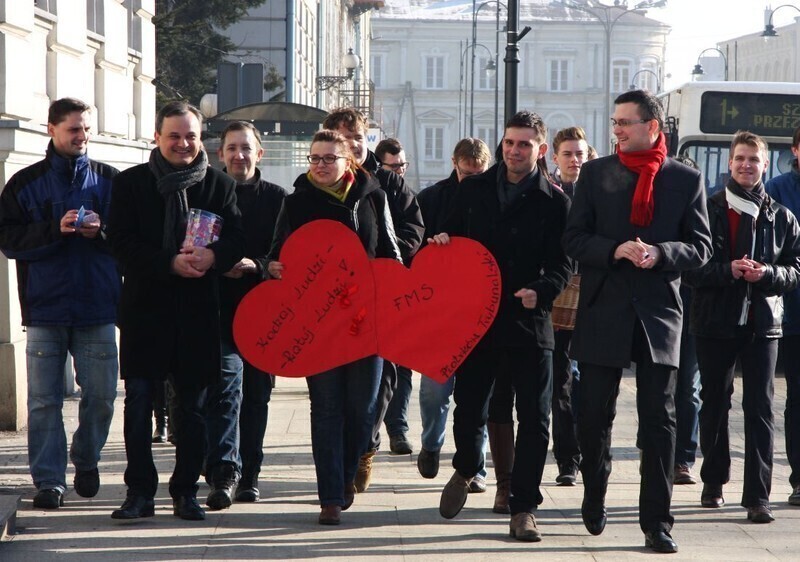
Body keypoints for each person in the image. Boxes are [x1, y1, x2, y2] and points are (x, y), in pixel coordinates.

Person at [563, 89, 712, 554]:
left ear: (652, 126)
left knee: (660, 421)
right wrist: (614, 250)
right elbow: (573, 238)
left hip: (658, 314)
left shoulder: (685, 180)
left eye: (625, 122)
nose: (617, 129)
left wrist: (660, 253)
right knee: (592, 414)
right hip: (603, 308)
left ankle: (657, 522)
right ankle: (595, 491)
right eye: (614, 122)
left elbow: (702, 249)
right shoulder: (595, 172)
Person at [431, 111, 572, 542]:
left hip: (530, 321)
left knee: (535, 416)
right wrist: (441, 242)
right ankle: (465, 468)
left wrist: (543, 289)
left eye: (524, 144)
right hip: (478, 321)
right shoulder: (473, 190)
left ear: (540, 150)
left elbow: (564, 263)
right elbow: (450, 238)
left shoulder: (556, 201)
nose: (514, 150)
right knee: (470, 406)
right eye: (509, 143)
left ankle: (523, 506)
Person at [107, 101, 244, 522]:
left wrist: (210, 256)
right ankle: (139, 493)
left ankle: (186, 491)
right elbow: (120, 243)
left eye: (190, 136)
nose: (183, 144)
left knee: (193, 409)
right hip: (146, 309)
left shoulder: (219, 186)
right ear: (157, 137)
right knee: (139, 401)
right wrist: (169, 262)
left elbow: (237, 238)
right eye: (174, 136)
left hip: (197, 313)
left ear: (201, 139)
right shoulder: (130, 184)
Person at [266, 129, 402, 525]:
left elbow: (390, 251)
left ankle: (345, 478)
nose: (320, 165)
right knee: (326, 408)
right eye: (314, 158)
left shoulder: (372, 196)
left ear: (349, 162)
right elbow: (277, 254)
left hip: (367, 321)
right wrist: (274, 268)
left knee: (362, 409)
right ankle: (330, 495)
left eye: (329, 158)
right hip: (317, 324)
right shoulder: (296, 203)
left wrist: (390, 287)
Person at [0, 97, 120, 509]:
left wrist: (100, 233)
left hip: (98, 307)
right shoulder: (24, 183)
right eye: (74, 129)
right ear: (51, 129)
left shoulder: (109, 180)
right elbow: (9, 241)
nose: (82, 136)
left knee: (103, 396)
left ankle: (86, 457)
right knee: (43, 401)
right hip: (45, 310)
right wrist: (56, 228)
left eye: (87, 128)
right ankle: (49, 481)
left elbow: (129, 241)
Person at [687, 130, 800, 524]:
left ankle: (758, 497)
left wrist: (766, 272)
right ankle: (713, 482)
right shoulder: (707, 209)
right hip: (715, 321)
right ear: (729, 163)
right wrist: (728, 271)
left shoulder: (782, 216)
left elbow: (795, 269)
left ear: (765, 165)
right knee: (715, 404)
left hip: (764, 325)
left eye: (754, 159)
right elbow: (690, 266)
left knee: (761, 409)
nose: (747, 165)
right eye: (740, 159)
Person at [321, 109, 424, 487]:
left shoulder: (388, 184)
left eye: (357, 137)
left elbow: (412, 228)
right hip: (334, 307)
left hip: (382, 299)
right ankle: (343, 464)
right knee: (339, 394)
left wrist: (387, 266)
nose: (352, 144)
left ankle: (366, 447)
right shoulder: (323, 183)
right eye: (344, 138)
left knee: (381, 385)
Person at [202, 121, 287, 509]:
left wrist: (257, 263)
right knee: (224, 393)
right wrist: (220, 264)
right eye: (232, 148)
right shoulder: (207, 192)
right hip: (218, 307)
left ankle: (250, 473)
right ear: (221, 154)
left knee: (256, 396)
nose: (239, 155)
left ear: (259, 154)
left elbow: (287, 255)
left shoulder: (277, 199)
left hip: (264, 314)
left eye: (246, 148)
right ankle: (224, 472)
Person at [415, 138, 492, 492]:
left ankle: (475, 466)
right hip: (439, 312)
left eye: (479, 174)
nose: (473, 180)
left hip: (482, 310)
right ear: (454, 165)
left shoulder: (497, 199)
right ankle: (432, 443)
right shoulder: (432, 199)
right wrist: (433, 243)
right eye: (466, 174)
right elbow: (414, 250)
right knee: (434, 391)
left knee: (480, 395)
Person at [549, 126, 589, 486]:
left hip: (595, 301)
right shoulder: (549, 195)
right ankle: (567, 459)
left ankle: (589, 451)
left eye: (580, 154)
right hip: (561, 301)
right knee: (560, 381)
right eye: (568, 154)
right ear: (555, 158)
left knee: (587, 383)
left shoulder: (601, 193)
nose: (575, 160)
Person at [765, 125, 800, 507]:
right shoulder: (778, 190)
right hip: (794, 313)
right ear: (795, 150)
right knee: (798, 400)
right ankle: (799, 478)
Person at [671, 155, 703, 486]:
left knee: (688, 387)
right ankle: (655, 447)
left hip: (693, 311)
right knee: (659, 385)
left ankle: (683, 458)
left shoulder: (702, 215)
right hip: (661, 309)